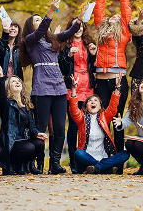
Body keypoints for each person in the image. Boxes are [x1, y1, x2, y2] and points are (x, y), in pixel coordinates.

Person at [19, 0, 88, 174]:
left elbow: (68, 33)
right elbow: (41, 30)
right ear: (30, 26)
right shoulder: (30, 40)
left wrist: (80, 17)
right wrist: (49, 12)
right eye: (37, 20)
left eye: (41, 19)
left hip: (58, 86)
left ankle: (55, 164)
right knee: (41, 127)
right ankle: (38, 163)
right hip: (42, 87)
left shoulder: (52, 40)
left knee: (59, 126)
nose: (40, 22)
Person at [93, 0, 131, 159]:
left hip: (118, 81)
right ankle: (102, 155)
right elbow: (99, 10)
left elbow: (126, 11)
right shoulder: (101, 29)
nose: (114, 16)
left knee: (117, 119)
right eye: (112, 16)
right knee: (102, 118)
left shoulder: (124, 32)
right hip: (100, 80)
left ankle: (118, 159)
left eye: (118, 17)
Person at [0, 62, 47, 175]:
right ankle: (11, 164)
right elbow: (1, 95)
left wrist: (37, 134)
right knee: (29, 147)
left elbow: (31, 126)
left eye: (18, 81)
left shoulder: (27, 105)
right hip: (12, 142)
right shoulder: (7, 103)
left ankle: (24, 165)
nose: (17, 82)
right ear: (8, 87)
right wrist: (1, 77)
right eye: (13, 82)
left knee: (40, 143)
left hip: (24, 140)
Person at [68, 74, 130, 174]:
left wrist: (117, 88)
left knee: (125, 154)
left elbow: (113, 106)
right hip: (86, 160)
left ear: (100, 105)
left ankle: (97, 168)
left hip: (103, 158)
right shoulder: (81, 118)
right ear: (86, 106)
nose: (93, 102)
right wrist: (74, 90)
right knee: (78, 153)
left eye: (95, 100)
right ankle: (104, 168)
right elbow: (74, 110)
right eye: (90, 101)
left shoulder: (104, 117)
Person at [59, 17, 97, 173]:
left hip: (88, 86)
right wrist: (68, 56)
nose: (78, 28)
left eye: (81, 26)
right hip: (72, 86)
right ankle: (73, 160)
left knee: (86, 123)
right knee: (74, 124)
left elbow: (94, 67)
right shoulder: (65, 45)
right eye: (75, 26)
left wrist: (94, 55)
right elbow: (61, 68)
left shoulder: (89, 44)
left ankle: (86, 158)